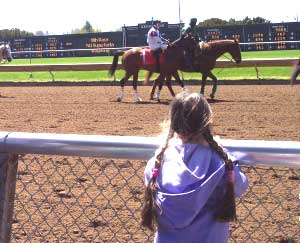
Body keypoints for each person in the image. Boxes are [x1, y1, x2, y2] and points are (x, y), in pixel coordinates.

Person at [141, 91, 248, 243]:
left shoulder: (158, 160)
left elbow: (149, 181)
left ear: (173, 123)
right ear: (206, 122)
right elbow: (240, 186)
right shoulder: (219, 161)